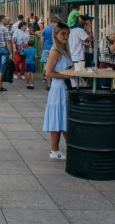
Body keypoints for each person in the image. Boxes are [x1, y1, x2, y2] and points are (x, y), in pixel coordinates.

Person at [43, 22, 72, 160]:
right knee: (58, 117)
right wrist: (65, 75)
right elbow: (48, 72)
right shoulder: (55, 51)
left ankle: (70, 145)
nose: (66, 36)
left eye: (67, 34)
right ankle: (54, 149)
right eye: (63, 34)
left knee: (64, 116)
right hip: (58, 87)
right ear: (56, 34)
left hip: (65, 86)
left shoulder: (65, 48)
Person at [68, 15, 92, 86]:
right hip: (78, 56)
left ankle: (76, 88)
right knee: (78, 75)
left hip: (72, 55)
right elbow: (90, 39)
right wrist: (90, 29)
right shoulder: (79, 30)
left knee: (75, 75)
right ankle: (77, 89)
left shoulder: (71, 30)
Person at [0, 15, 13, 91]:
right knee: (2, 67)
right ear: (3, 20)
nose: (7, 21)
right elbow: (8, 41)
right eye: (6, 20)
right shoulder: (5, 29)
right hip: (4, 49)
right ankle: (0, 86)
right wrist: (11, 52)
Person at [40, 16, 57, 90]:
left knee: (47, 66)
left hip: (46, 49)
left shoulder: (45, 29)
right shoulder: (57, 29)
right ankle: (54, 82)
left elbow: (42, 39)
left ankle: (48, 83)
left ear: (50, 21)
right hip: (55, 49)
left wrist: (42, 47)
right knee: (55, 66)